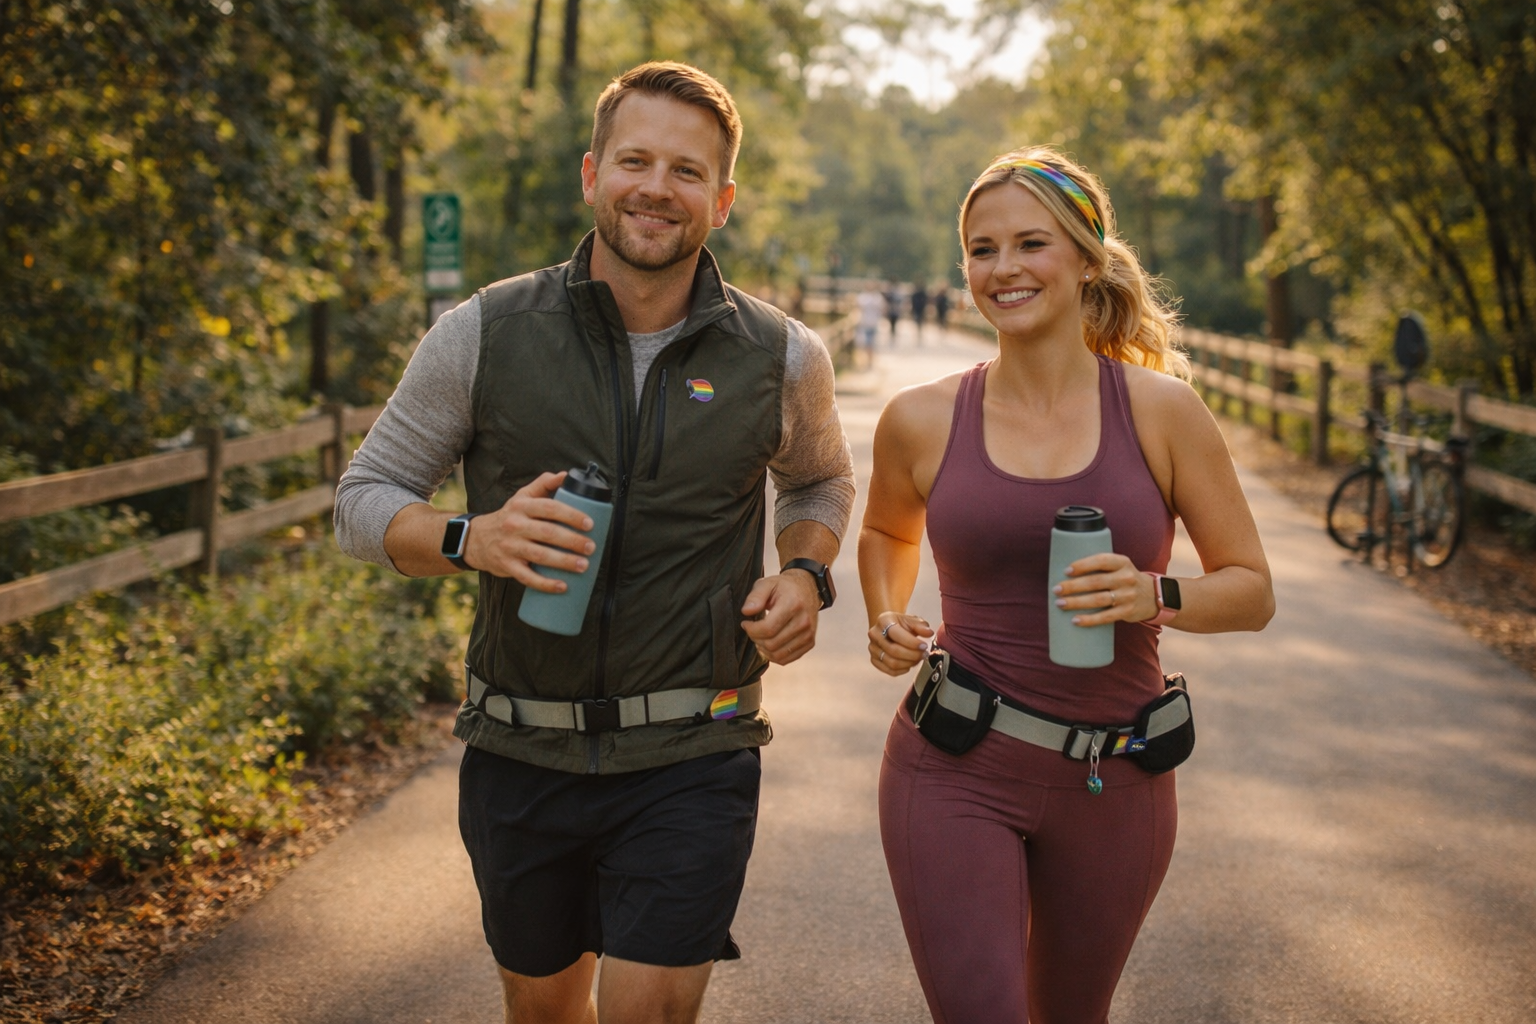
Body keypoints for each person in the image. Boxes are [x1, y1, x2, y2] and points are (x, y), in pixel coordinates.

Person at [335, 62, 854, 1024]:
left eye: (688, 171)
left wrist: (807, 572)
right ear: (592, 174)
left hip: (695, 748)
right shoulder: (483, 332)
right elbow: (362, 500)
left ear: (723, 199)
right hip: (519, 748)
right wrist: (469, 537)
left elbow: (819, 476)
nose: (657, 187)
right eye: (636, 160)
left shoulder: (781, 355)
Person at [858, 146, 1274, 1024]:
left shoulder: (1162, 412)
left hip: (1117, 780)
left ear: (1087, 258)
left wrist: (1153, 594)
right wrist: (887, 615)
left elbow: (1251, 588)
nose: (1002, 269)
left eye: (1030, 243)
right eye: (981, 249)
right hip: (955, 768)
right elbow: (887, 530)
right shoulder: (924, 418)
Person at [856, 284, 885, 366]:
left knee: (870, 342)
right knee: (869, 343)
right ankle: (870, 359)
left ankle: (870, 360)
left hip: (870, 323)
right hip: (868, 323)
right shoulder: (874, 298)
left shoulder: (866, 298)